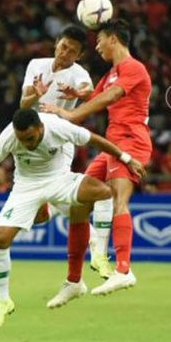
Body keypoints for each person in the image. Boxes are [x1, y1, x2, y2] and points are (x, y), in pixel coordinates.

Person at [0, 109, 145, 331]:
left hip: (59, 179)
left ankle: (100, 256)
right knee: (0, 240)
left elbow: (94, 140)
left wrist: (126, 158)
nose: (25, 144)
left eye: (30, 138)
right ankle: (3, 301)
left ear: (40, 128)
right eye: (21, 139)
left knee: (103, 192)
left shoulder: (57, 127)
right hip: (26, 187)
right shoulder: (9, 136)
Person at [40, 19, 153, 295]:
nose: (98, 46)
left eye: (100, 40)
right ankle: (74, 280)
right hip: (112, 143)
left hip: (129, 141)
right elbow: (96, 93)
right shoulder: (113, 72)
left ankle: (124, 270)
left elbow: (110, 97)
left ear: (113, 38)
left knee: (119, 201)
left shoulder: (133, 68)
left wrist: (71, 114)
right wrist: (77, 94)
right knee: (79, 201)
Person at [19, 25, 115, 280]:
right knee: (41, 212)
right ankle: (55, 213)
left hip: (60, 141)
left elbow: (90, 92)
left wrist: (79, 94)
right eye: (63, 47)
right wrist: (35, 96)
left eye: (72, 51)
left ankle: (96, 247)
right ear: (56, 43)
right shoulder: (36, 65)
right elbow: (23, 104)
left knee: (57, 190)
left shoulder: (78, 73)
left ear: (79, 56)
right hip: (31, 142)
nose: (65, 53)